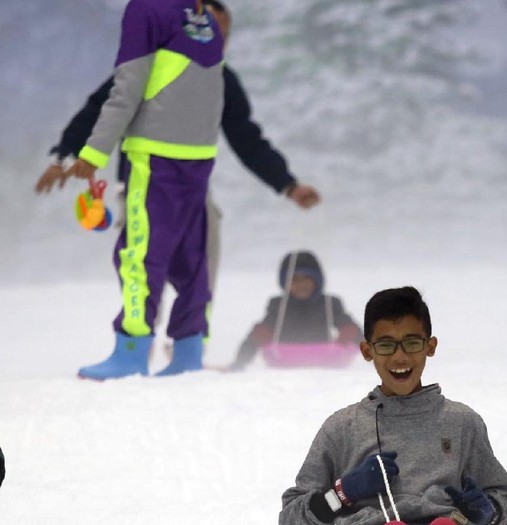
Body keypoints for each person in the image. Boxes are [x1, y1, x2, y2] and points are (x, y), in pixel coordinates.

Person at [35, 1, 320, 345]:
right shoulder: (152, 65)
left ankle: (190, 343)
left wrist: (288, 185)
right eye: (207, 28)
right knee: (142, 263)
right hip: (144, 183)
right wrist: (66, 156)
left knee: (203, 257)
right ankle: (136, 344)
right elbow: (100, 109)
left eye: (222, 34)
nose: (215, 39)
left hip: (194, 190)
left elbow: (247, 137)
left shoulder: (221, 79)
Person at [279, 286, 507, 525]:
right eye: (386, 345)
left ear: (430, 346)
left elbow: (498, 513)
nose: (399, 356)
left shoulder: (461, 423)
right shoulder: (343, 428)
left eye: (412, 343)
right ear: (366, 351)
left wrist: (486, 512)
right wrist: (343, 493)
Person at [227, 250, 362, 371]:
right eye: (294, 280)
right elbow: (257, 335)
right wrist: (240, 362)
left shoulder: (329, 304)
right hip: (284, 357)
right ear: (285, 283)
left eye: (306, 279)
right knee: (259, 330)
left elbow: (352, 329)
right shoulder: (279, 305)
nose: (301, 284)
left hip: (325, 358)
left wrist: (350, 335)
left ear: (317, 281)